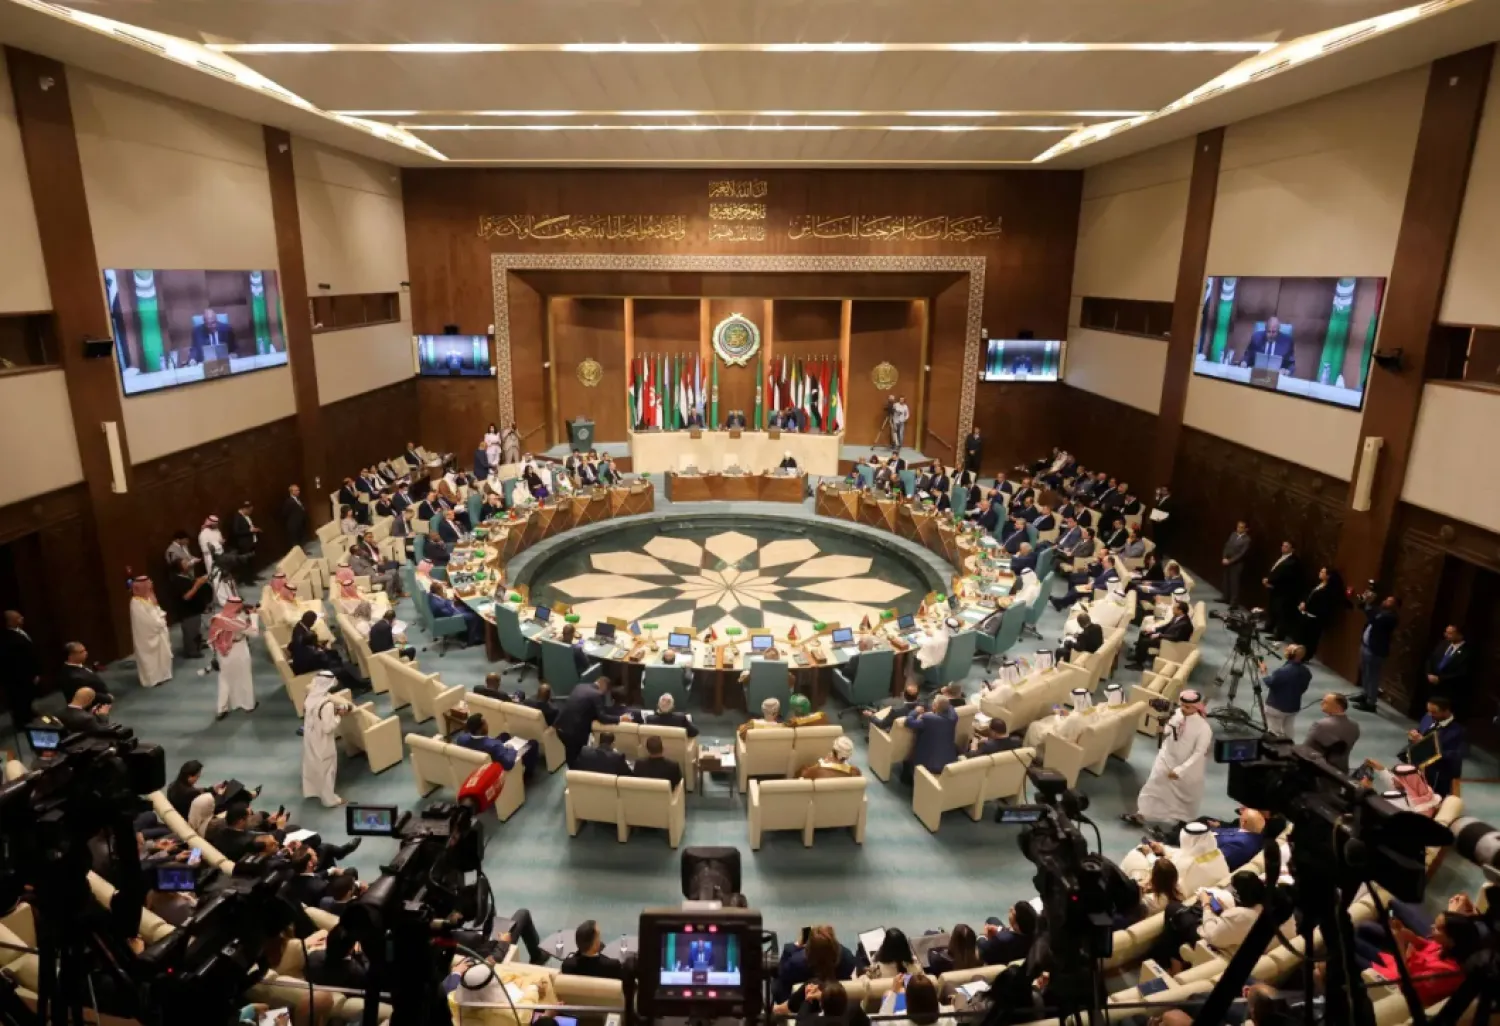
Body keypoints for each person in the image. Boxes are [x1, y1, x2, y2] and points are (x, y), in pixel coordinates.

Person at [1125, 690, 1212, 829]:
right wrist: (1162, 729)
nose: (1183, 709)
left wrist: (1180, 770)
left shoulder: (1204, 728)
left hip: (1187, 767)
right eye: (1182, 705)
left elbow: (1199, 753)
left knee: (1184, 796)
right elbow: (1169, 730)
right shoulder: (1177, 714)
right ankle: (1142, 814)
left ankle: (1183, 821)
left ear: (1196, 707)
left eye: (1187, 707)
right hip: (1166, 757)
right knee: (1153, 785)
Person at [1358, 911, 1478, 1008]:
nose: (1432, 927)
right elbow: (1422, 944)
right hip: (1398, 963)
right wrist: (1403, 931)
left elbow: (1405, 984)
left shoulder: (1446, 974)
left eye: (1437, 928)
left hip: (1394, 982)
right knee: (1363, 929)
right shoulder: (1444, 946)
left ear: (1452, 940)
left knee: (1350, 948)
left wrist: (1399, 943)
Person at [557, 677, 630, 767]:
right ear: (604, 687)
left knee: (569, 754)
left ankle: (572, 773)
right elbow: (603, 718)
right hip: (574, 733)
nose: (603, 694)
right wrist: (620, 718)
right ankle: (576, 774)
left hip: (561, 726)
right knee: (576, 757)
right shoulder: (596, 694)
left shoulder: (580, 686)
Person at [301, 673, 348, 808]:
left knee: (312, 763)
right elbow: (328, 728)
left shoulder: (310, 697)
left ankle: (312, 790)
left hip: (310, 736)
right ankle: (329, 800)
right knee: (327, 768)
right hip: (323, 740)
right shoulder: (326, 705)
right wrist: (339, 716)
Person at [776, 925, 856, 1002]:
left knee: (776, 983)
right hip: (838, 1004)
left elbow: (782, 974)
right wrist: (827, 941)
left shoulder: (795, 964)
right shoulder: (848, 959)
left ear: (808, 950)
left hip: (798, 1006)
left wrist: (797, 945)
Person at [209, 597, 258, 720]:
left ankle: (222, 708)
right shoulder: (237, 621)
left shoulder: (218, 618)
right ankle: (248, 705)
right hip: (239, 649)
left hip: (223, 653)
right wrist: (253, 617)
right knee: (244, 676)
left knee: (224, 679)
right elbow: (254, 633)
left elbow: (212, 639)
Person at [1407, 696, 1464, 795]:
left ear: (1446, 711)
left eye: (1434, 712)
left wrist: (1425, 743)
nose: (1430, 714)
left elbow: (1454, 756)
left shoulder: (1458, 730)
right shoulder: (1428, 717)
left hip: (1440, 773)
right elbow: (1421, 731)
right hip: (1420, 766)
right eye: (1429, 711)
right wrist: (1413, 734)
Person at [1200, 871, 1267, 954]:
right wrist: (1228, 912)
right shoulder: (1279, 897)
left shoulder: (1239, 917)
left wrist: (1206, 905)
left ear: (1238, 895)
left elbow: (1212, 937)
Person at [1355, 591, 1400, 712]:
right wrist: (1364, 600)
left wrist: (1369, 604)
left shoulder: (1391, 617)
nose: (1385, 601)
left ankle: (1371, 703)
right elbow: (1363, 608)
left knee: (1373, 676)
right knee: (1365, 672)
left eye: (1389, 601)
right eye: (1386, 599)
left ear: (1395, 606)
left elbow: (1374, 619)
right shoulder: (1381, 611)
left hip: (1375, 650)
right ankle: (1365, 694)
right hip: (1366, 646)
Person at [903, 694, 958, 785]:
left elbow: (908, 722)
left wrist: (915, 711)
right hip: (948, 761)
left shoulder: (928, 719)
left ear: (935, 706)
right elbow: (950, 707)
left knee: (907, 761)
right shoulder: (953, 717)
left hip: (929, 764)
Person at [128, 577, 172, 688]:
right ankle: (152, 679)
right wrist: (161, 620)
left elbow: (157, 609)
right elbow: (149, 622)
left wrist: (161, 617)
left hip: (158, 633)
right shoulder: (136, 603)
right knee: (150, 659)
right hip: (148, 637)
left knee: (162, 656)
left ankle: (163, 675)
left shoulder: (147, 598)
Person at [1290, 566, 1342, 659]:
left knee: (1310, 639)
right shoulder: (1319, 585)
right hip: (1306, 615)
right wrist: (1304, 602)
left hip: (1315, 618)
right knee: (1300, 636)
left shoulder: (1328, 590)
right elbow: (1310, 596)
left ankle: (1305, 656)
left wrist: (1307, 608)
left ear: (1328, 576)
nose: (1320, 573)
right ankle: (1297, 654)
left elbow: (1322, 606)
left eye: (1323, 572)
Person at [1, 610, 40, 735]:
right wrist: (30, 675)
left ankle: (28, 715)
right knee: (19, 700)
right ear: (11, 621)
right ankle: (22, 723)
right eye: (18, 618)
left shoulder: (19, 632)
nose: (22, 618)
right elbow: (16, 661)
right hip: (18, 676)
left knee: (26, 697)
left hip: (27, 674)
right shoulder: (8, 638)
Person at [1126, 600, 1194, 670]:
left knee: (1145, 642)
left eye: (1174, 609)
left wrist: (1159, 635)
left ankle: (1139, 664)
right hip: (1166, 636)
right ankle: (1137, 655)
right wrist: (1153, 630)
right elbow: (1166, 626)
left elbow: (1176, 637)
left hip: (1169, 643)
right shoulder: (1177, 616)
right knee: (1143, 633)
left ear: (1180, 611)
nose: (1172, 610)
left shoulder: (1185, 624)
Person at [1261, 644, 1310, 738]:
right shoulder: (1306, 672)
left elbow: (1270, 683)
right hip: (1294, 706)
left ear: (1290, 655)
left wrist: (1264, 672)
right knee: (1289, 727)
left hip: (1276, 707)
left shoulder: (1282, 671)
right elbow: (1303, 688)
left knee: (1274, 730)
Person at [1304, 693, 1360, 773]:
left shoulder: (1320, 725)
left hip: (1319, 772)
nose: (1321, 703)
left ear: (1337, 707)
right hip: (1341, 770)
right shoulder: (1355, 726)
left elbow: (1305, 749)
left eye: (1326, 702)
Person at [1423, 624, 1472, 713]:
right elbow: (1431, 658)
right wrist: (1429, 673)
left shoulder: (1467, 652)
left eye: (1450, 633)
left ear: (1460, 635)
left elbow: (1461, 672)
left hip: (1447, 688)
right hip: (1432, 683)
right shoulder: (1443, 643)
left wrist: (1440, 679)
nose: (1446, 635)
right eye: (1446, 632)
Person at [168, 558, 211, 658]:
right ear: (179, 567)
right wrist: (198, 584)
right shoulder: (178, 580)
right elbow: (186, 596)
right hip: (187, 611)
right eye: (185, 563)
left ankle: (197, 644)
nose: (188, 564)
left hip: (194, 609)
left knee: (195, 629)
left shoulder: (186, 576)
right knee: (190, 630)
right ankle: (192, 651)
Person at [1261, 541, 1301, 640]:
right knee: (1272, 609)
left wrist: (1270, 581)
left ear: (1292, 549)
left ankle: (1279, 635)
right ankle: (1269, 627)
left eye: (1286, 546)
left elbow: (1284, 576)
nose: (1283, 548)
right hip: (1274, 588)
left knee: (1281, 613)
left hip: (1284, 591)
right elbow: (1275, 570)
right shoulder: (1281, 557)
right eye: (1283, 545)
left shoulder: (1292, 561)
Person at [453, 712, 520, 771]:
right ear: (479, 730)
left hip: (473, 766)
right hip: (494, 768)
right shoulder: (495, 746)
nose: (487, 724)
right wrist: (511, 750)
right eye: (485, 723)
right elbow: (508, 764)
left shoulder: (461, 739)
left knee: (504, 735)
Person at [428, 581, 483, 646]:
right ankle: (473, 639)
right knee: (473, 616)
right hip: (451, 617)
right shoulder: (437, 604)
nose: (443, 591)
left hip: (448, 612)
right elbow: (449, 613)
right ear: (438, 591)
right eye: (442, 590)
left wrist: (448, 600)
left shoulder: (431, 595)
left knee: (467, 608)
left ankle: (465, 632)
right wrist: (448, 599)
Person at [1221, 520, 1251, 608]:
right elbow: (1227, 546)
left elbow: (1242, 554)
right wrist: (1224, 557)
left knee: (1235, 583)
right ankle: (1225, 597)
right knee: (1226, 580)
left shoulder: (1247, 540)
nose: (1238, 529)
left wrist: (1230, 561)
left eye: (1241, 527)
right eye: (1238, 526)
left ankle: (1234, 603)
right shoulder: (1233, 535)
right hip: (1227, 561)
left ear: (1246, 529)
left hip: (1237, 564)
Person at [228, 500, 261, 576]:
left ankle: (253, 576)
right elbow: (236, 531)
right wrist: (249, 531)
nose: (250, 512)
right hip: (243, 543)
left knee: (251, 560)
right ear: (244, 509)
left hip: (251, 541)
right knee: (246, 562)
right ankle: (248, 579)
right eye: (249, 510)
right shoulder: (237, 517)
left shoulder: (246, 516)